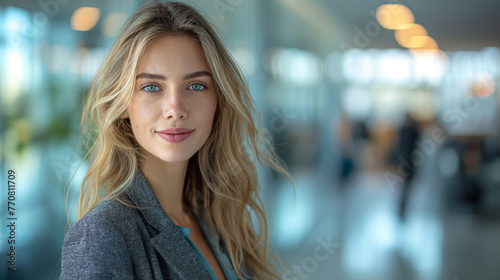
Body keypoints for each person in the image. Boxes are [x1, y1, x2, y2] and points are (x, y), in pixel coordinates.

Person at [60, 2, 290, 279]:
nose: (175, 108)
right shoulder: (102, 235)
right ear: (122, 104)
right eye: (151, 87)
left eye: (196, 85)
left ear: (218, 100)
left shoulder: (215, 218)